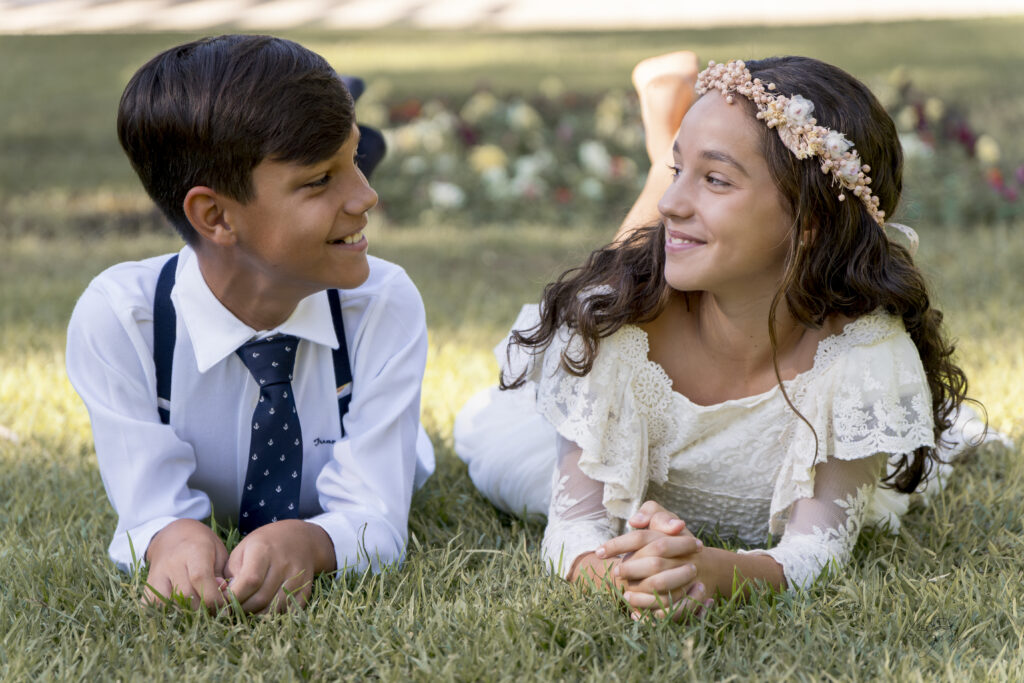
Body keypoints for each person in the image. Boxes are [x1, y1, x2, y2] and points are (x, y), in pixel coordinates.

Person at [455, 52, 994, 620]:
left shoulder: (861, 358)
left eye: (715, 179)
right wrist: (627, 577)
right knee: (519, 463)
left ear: (810, 221)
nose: (671, 204)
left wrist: (711, 572)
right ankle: (660, 155)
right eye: (677, 171)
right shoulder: (611, 327)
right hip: (613, 337)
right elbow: (574, 530)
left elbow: (815, 553)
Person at [66, 34, 433, 614]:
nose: (368, 197)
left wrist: (314, 542)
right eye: (320, 178)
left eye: (356, 161)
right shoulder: (124, 319)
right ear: (214, 216)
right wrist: (170, 536)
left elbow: (376, 515)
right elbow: (147, 509)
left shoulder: (381, 303)